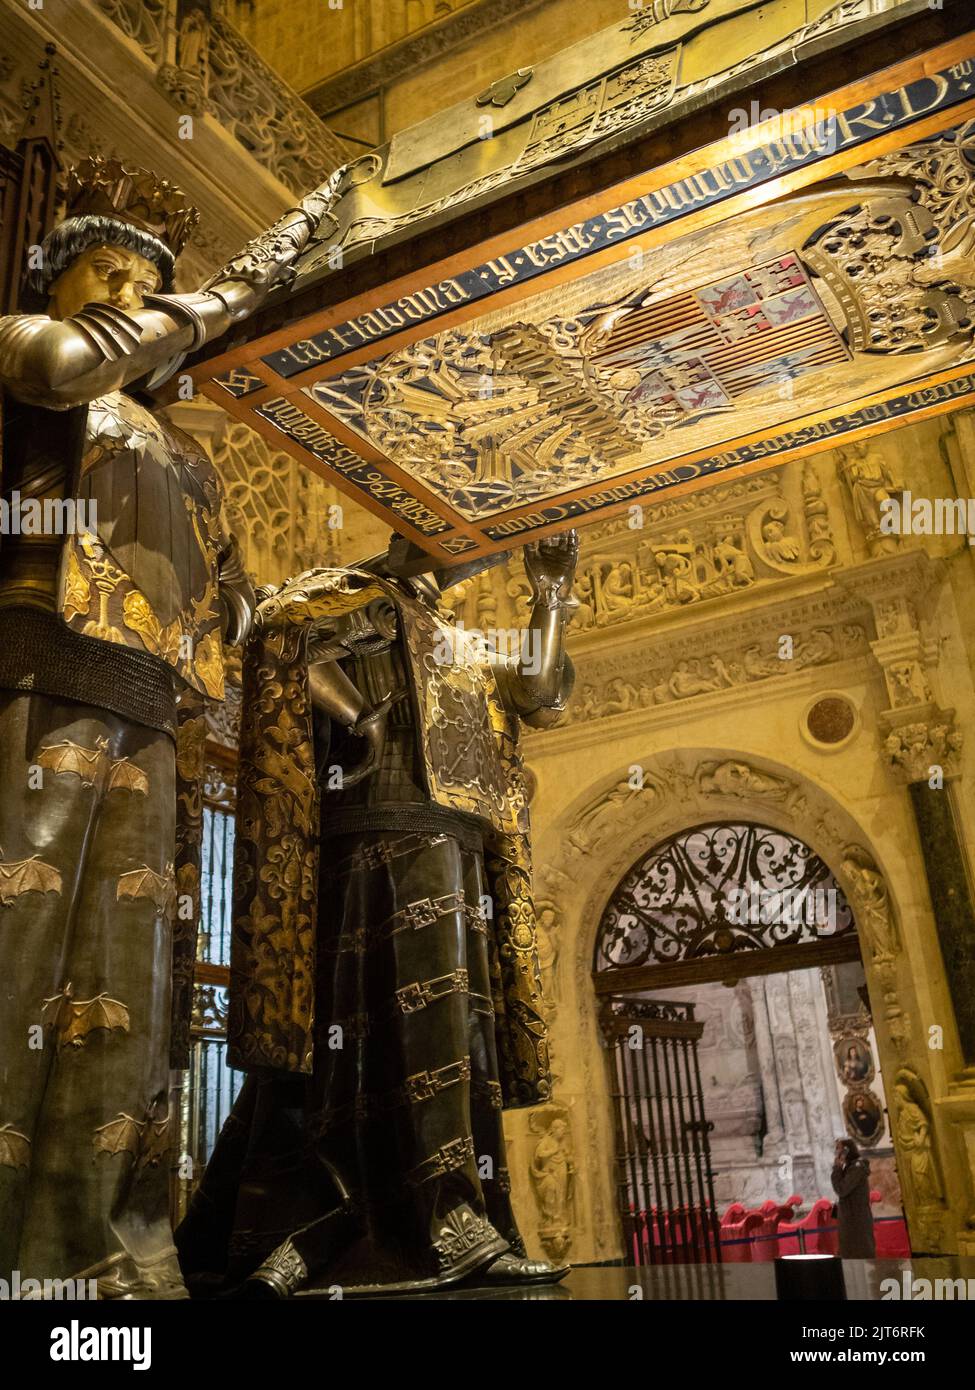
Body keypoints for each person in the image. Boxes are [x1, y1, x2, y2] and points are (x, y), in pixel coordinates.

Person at [0, 154, 329, 1297]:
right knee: (19, 954)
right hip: (41, 675)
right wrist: (225, 296)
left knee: (131, 994)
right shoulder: (33, 349)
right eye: (111, 274)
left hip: (152, 704)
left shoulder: (184, 453)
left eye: (152, 284)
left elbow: (228, 600)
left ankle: (105, 1250)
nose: (134, 299)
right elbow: (56, 363)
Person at [175, 532, 579, 1296]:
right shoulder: (346, 595)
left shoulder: (456, 638)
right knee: (386, 1031)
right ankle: (412, 1222)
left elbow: (540, 695)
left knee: (456, 1034)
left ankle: (453, 1218)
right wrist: (357, 711)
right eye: (464, 537)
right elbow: (280, 632)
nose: (475, 554)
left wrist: (550, 591)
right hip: (373, 830)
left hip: (458, 839)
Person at [831, 1138, 876, 1258]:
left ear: (846, 1150)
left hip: (856, 1219)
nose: (836, 1152)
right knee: (849, 1256)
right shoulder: (849, 1167)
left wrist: (837, 1168)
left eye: (838, 1148)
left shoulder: (857, 1167)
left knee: (860, 1254)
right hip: (850, 1218)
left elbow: (842, 1189)